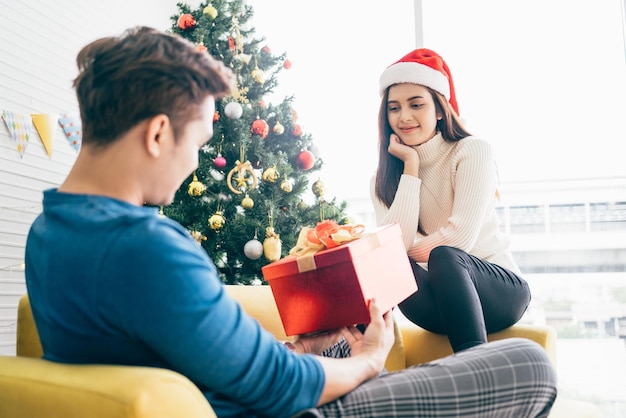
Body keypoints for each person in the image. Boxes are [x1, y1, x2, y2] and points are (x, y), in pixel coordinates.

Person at [24, 27, 556, 418]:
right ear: (159, 134)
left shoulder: (48, 235)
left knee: (336, 341)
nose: (193, 161)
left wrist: (300, 349)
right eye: (199, 142)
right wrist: (369, 360)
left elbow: (175, 352)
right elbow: (273, 386)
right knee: (528, 363)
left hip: (239, 393)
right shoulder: (144, 246)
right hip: (289, 411)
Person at [372, 48, 532, 353]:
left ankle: (473, 366)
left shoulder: (472, 151)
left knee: (444, 255)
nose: (404, 116)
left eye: (416, 104)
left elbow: (461, 239)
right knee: (391, 266)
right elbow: (395, 252)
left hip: (500, 292)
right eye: (394, 108)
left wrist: (401, 251)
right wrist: (411, 169)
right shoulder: (383, 179)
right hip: (438, 303)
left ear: (441, 109)